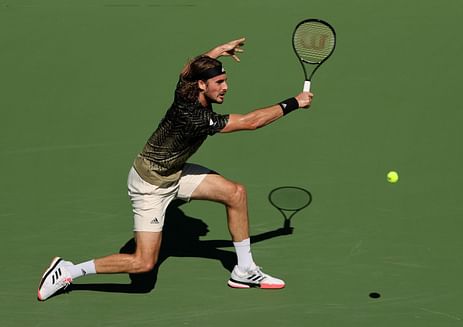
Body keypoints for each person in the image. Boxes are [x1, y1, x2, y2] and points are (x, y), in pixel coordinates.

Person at [37, 38, 313, 301]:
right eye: (219, 82)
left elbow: (188, 69)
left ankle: (244, 271)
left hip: (175, 173)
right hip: (150, 185)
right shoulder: (196, 118)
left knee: (235, 193)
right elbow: (251, 122)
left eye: (226, 80)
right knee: (143, 263)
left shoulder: (186, 86)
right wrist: (295, 102)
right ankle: (68, 270)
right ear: (202, 85)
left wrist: (217, 50)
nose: (225, 87)